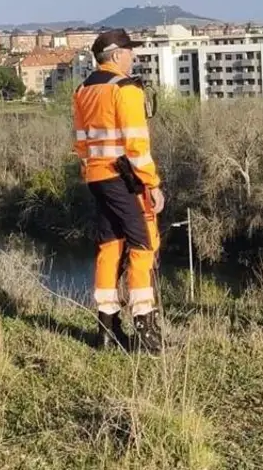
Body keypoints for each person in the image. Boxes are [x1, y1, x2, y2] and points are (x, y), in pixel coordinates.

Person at [72, 28, 166, 353]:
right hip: (124, 179)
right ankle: (146, 330)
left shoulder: (83, 90)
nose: (133, 58)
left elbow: (82, 143)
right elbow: (137, 144)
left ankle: (107, 331)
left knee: (110, 246)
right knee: (144, 245)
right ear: (115, 55)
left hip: (96, 178)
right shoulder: (124, 89)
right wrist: (151, 183)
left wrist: (93, 169)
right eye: (130, 52)